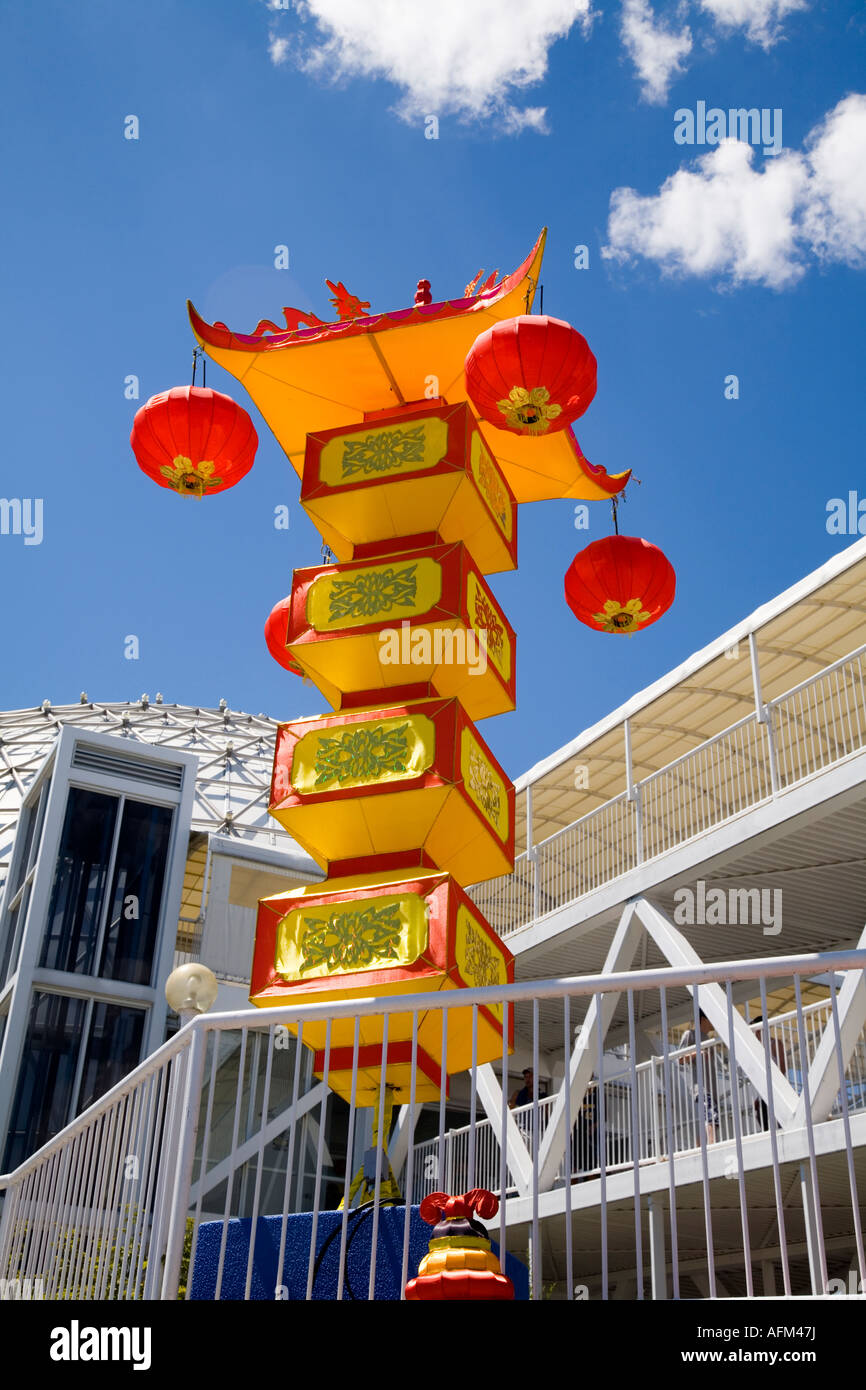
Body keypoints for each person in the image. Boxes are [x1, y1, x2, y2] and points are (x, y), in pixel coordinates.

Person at [680, 1011, 720, 1145]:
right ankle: (711, 1144)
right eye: (711, 1018)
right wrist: (698, 1053)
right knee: (710, 1115)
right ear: (703, 1019)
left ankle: (700, 1147)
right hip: (701, 1085)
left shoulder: (709, 1039)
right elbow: (679, 1059)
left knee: (707, 1116)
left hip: (711, 1085)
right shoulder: (689, 1034)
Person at [752, 1015, 787, 1131]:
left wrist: (778, 1085)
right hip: (765, 1091)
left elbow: (782, 1067)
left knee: (775, 1116)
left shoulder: (774, 1043)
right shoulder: (757, 1048)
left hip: (775, 1088)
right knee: (761, 1113)